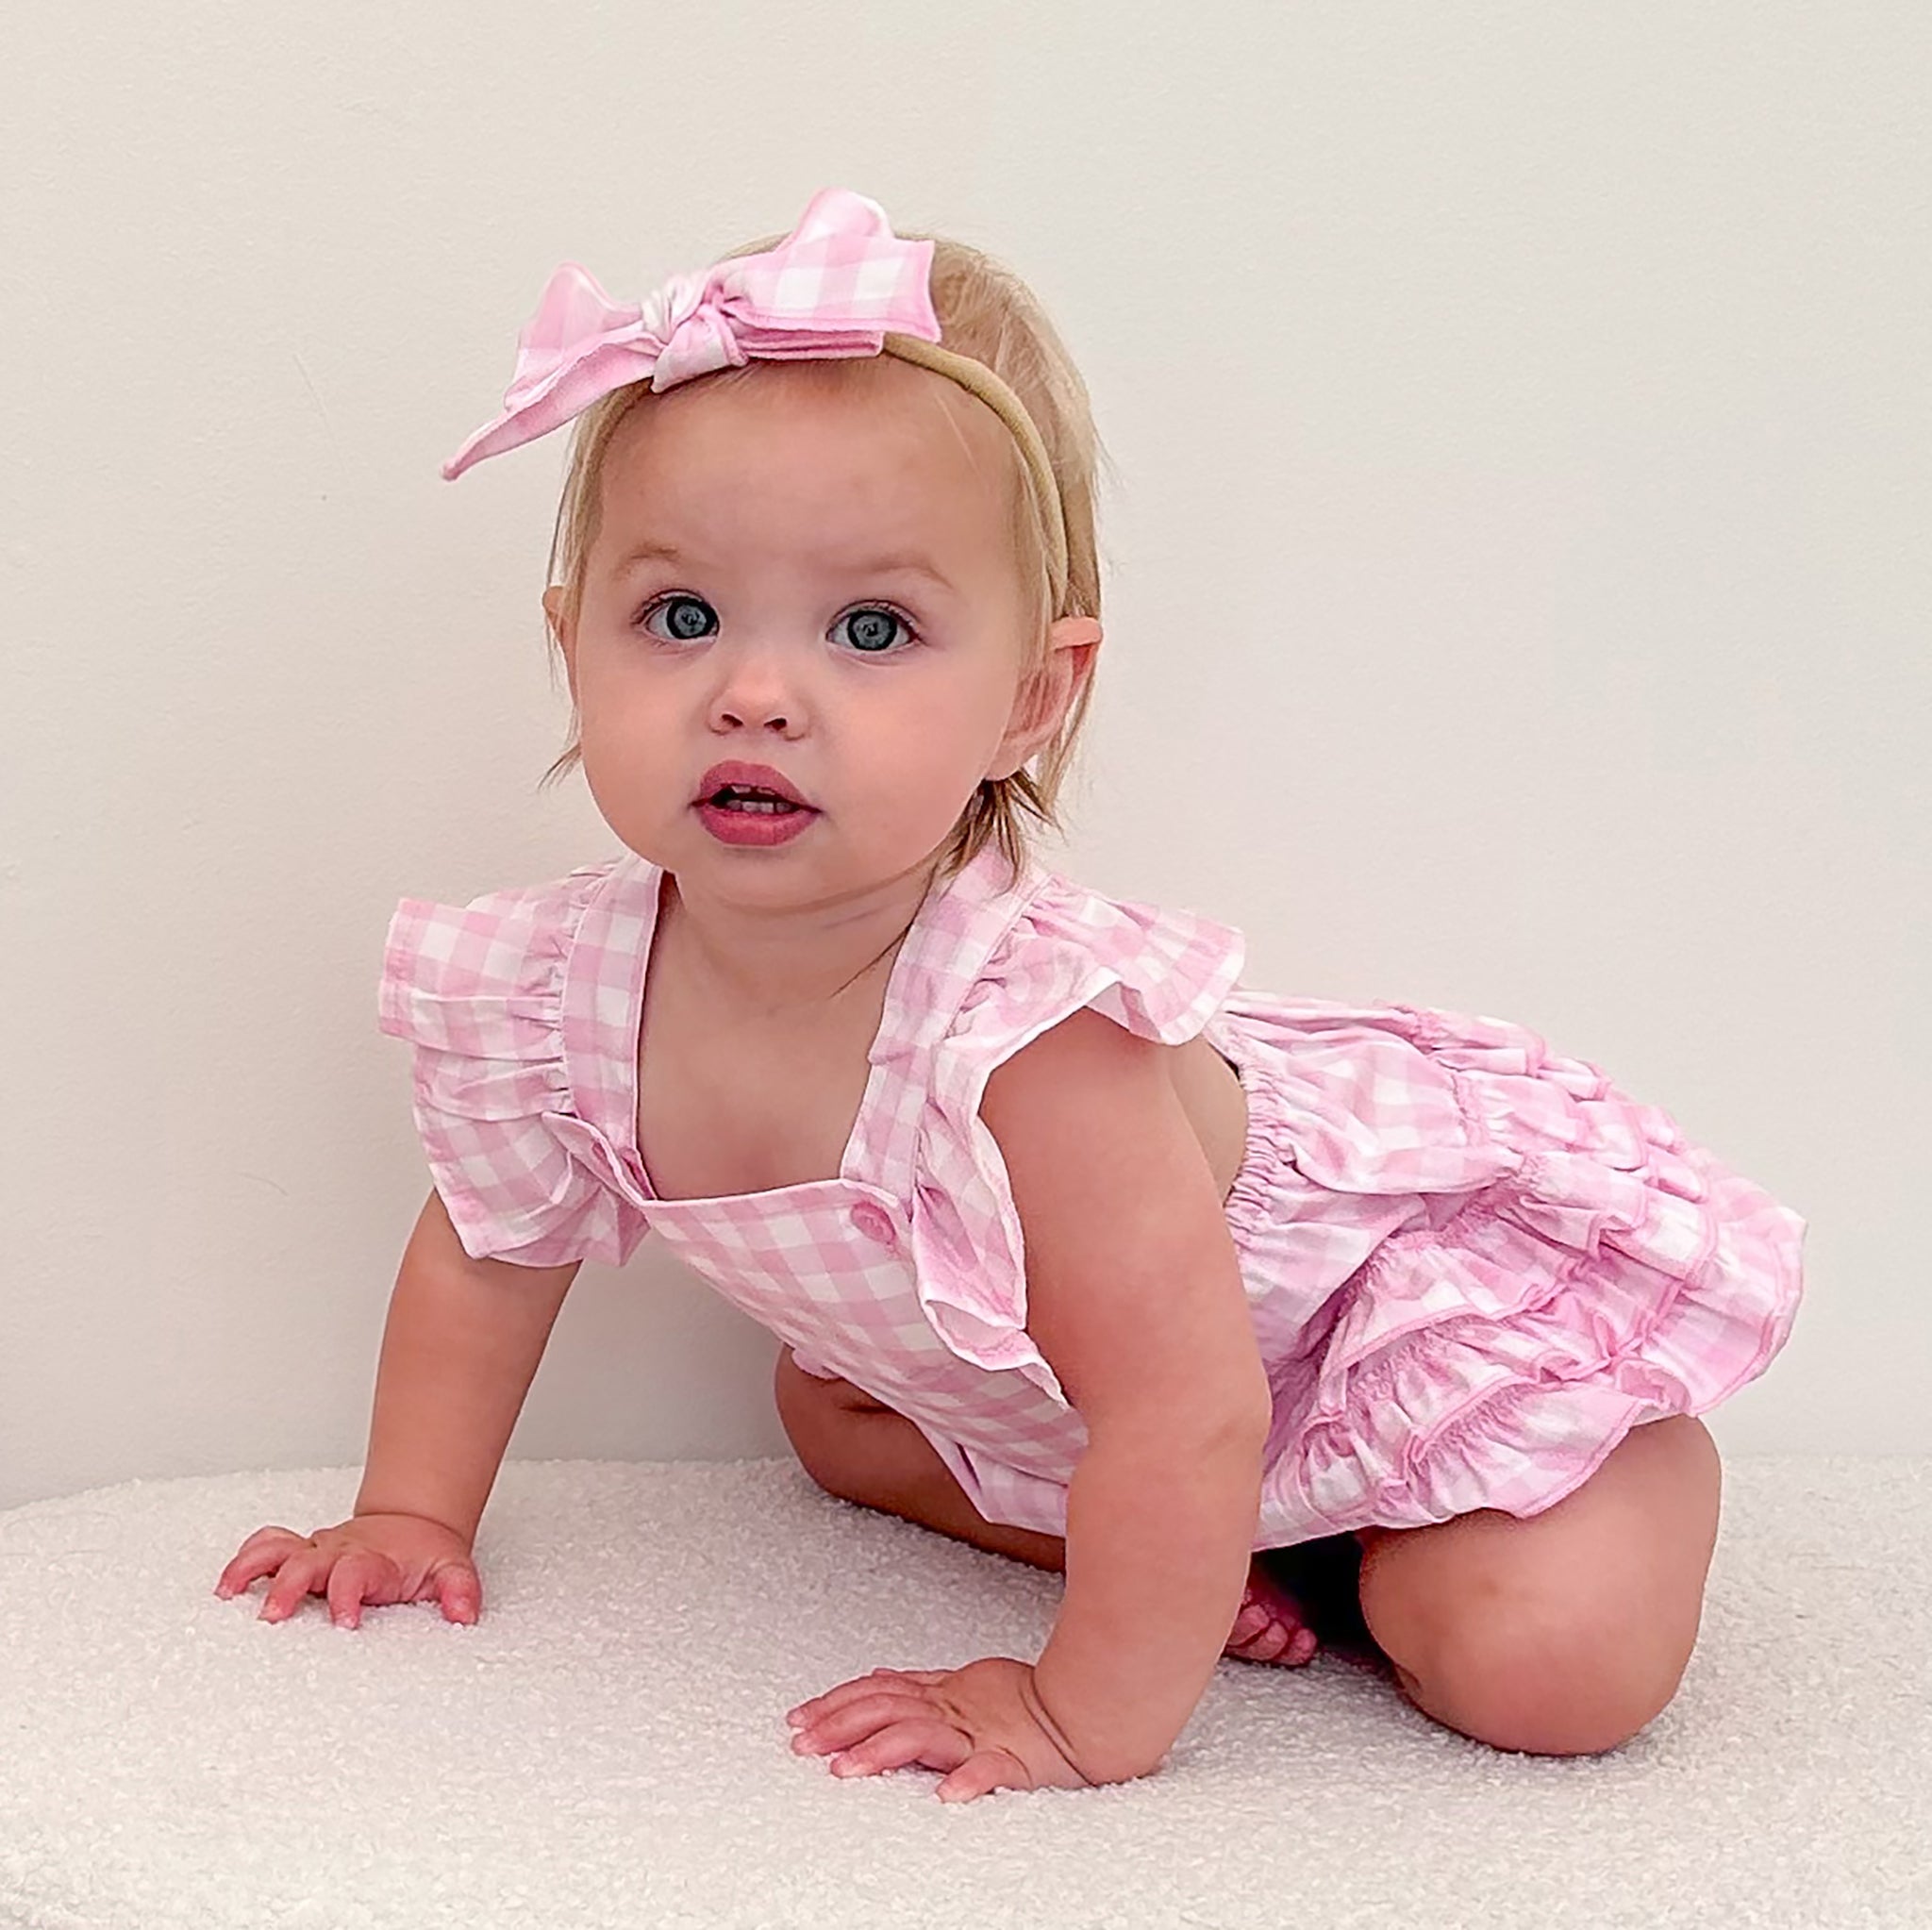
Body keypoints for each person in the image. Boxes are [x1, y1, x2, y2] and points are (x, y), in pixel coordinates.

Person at [214, 187, 1806, 1801]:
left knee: (1550, 1660)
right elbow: (493, 1249)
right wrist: (412, 1509)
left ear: (1030, 696)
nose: (756, 693)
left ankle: (1548, 1477)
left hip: (1361, 1337)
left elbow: (1186, 1404)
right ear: (574, 646)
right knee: (833, 1411)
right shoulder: (562, 990)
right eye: (679, 617)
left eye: (873, 628)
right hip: (1117, 1410)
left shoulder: (1036, 1040)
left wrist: (1076, 1710)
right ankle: (1219, 1557)